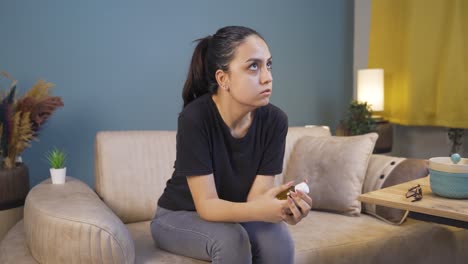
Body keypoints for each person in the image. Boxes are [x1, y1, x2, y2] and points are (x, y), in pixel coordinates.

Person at [151, 25, 313, 264]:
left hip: (235, 214)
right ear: (223, 78)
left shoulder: (276, 121)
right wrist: (262, 211)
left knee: (278, 240)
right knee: (232, 240)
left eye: (268, 64)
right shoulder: (195, 118)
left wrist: (282, 206)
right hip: (178, 216)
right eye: (253, 66)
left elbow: (255, 199)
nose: (267, 77)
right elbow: (207, 206)